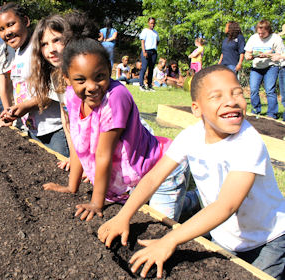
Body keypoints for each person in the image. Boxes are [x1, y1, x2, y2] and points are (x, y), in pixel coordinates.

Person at [98, 64, 285, 280]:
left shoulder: (248, 142)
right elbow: (153, 178)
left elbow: (227, 205)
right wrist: (124, 216)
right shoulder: (191, 136)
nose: (231, 101)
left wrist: (170, 240)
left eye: (237, 93)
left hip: (269, 238)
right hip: (226, 236)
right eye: (217, 96)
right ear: (197, 109)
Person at [43, 29, 189, 222]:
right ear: (67, 78)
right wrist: (72, 187)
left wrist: (97, 203)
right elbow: (79, 143)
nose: (92, 86)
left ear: (109, 70)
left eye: (99, 76)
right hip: (133, 178)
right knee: (151, 206)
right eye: (81, 80)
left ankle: (190, 201)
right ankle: (187, 200)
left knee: (160, 224)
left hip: (161, 171)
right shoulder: (72, 96)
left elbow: (104, 154)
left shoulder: (114, 98)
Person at [0, 3, 69, 157]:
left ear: (26, 21)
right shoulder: (17, 53)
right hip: (33, 129)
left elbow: (55, 89)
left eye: (11, 24)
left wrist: (26, 106)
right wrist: (12, 113)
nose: (7, 32)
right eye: (1, 29)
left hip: (54, 130)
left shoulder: (39, 51)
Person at [245, 19, 284, 119]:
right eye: (259, 33)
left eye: (263, 33)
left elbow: (281, 54)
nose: (260, 35)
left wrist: (268, 55)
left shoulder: (276, 38)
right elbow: (247, 53)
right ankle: (256, 111)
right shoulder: (253, 38)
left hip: (271, 66)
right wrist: (249, 56)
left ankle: (271, 114)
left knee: (270, 90)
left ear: (268, 31)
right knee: (253, 89)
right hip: (256, 67)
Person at [139, 17, 159, 92]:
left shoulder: (155, 33)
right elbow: (142, 41)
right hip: (146, 51)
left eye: (153, 23)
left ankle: (149, 85)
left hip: (153, 52)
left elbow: (158, 41)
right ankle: (141, 84)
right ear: (148, 23)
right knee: (144, 68)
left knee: (151, 69)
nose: (152, 24)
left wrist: (155, 48)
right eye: (151, 23)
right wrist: (144, 51)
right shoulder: (145, 31)